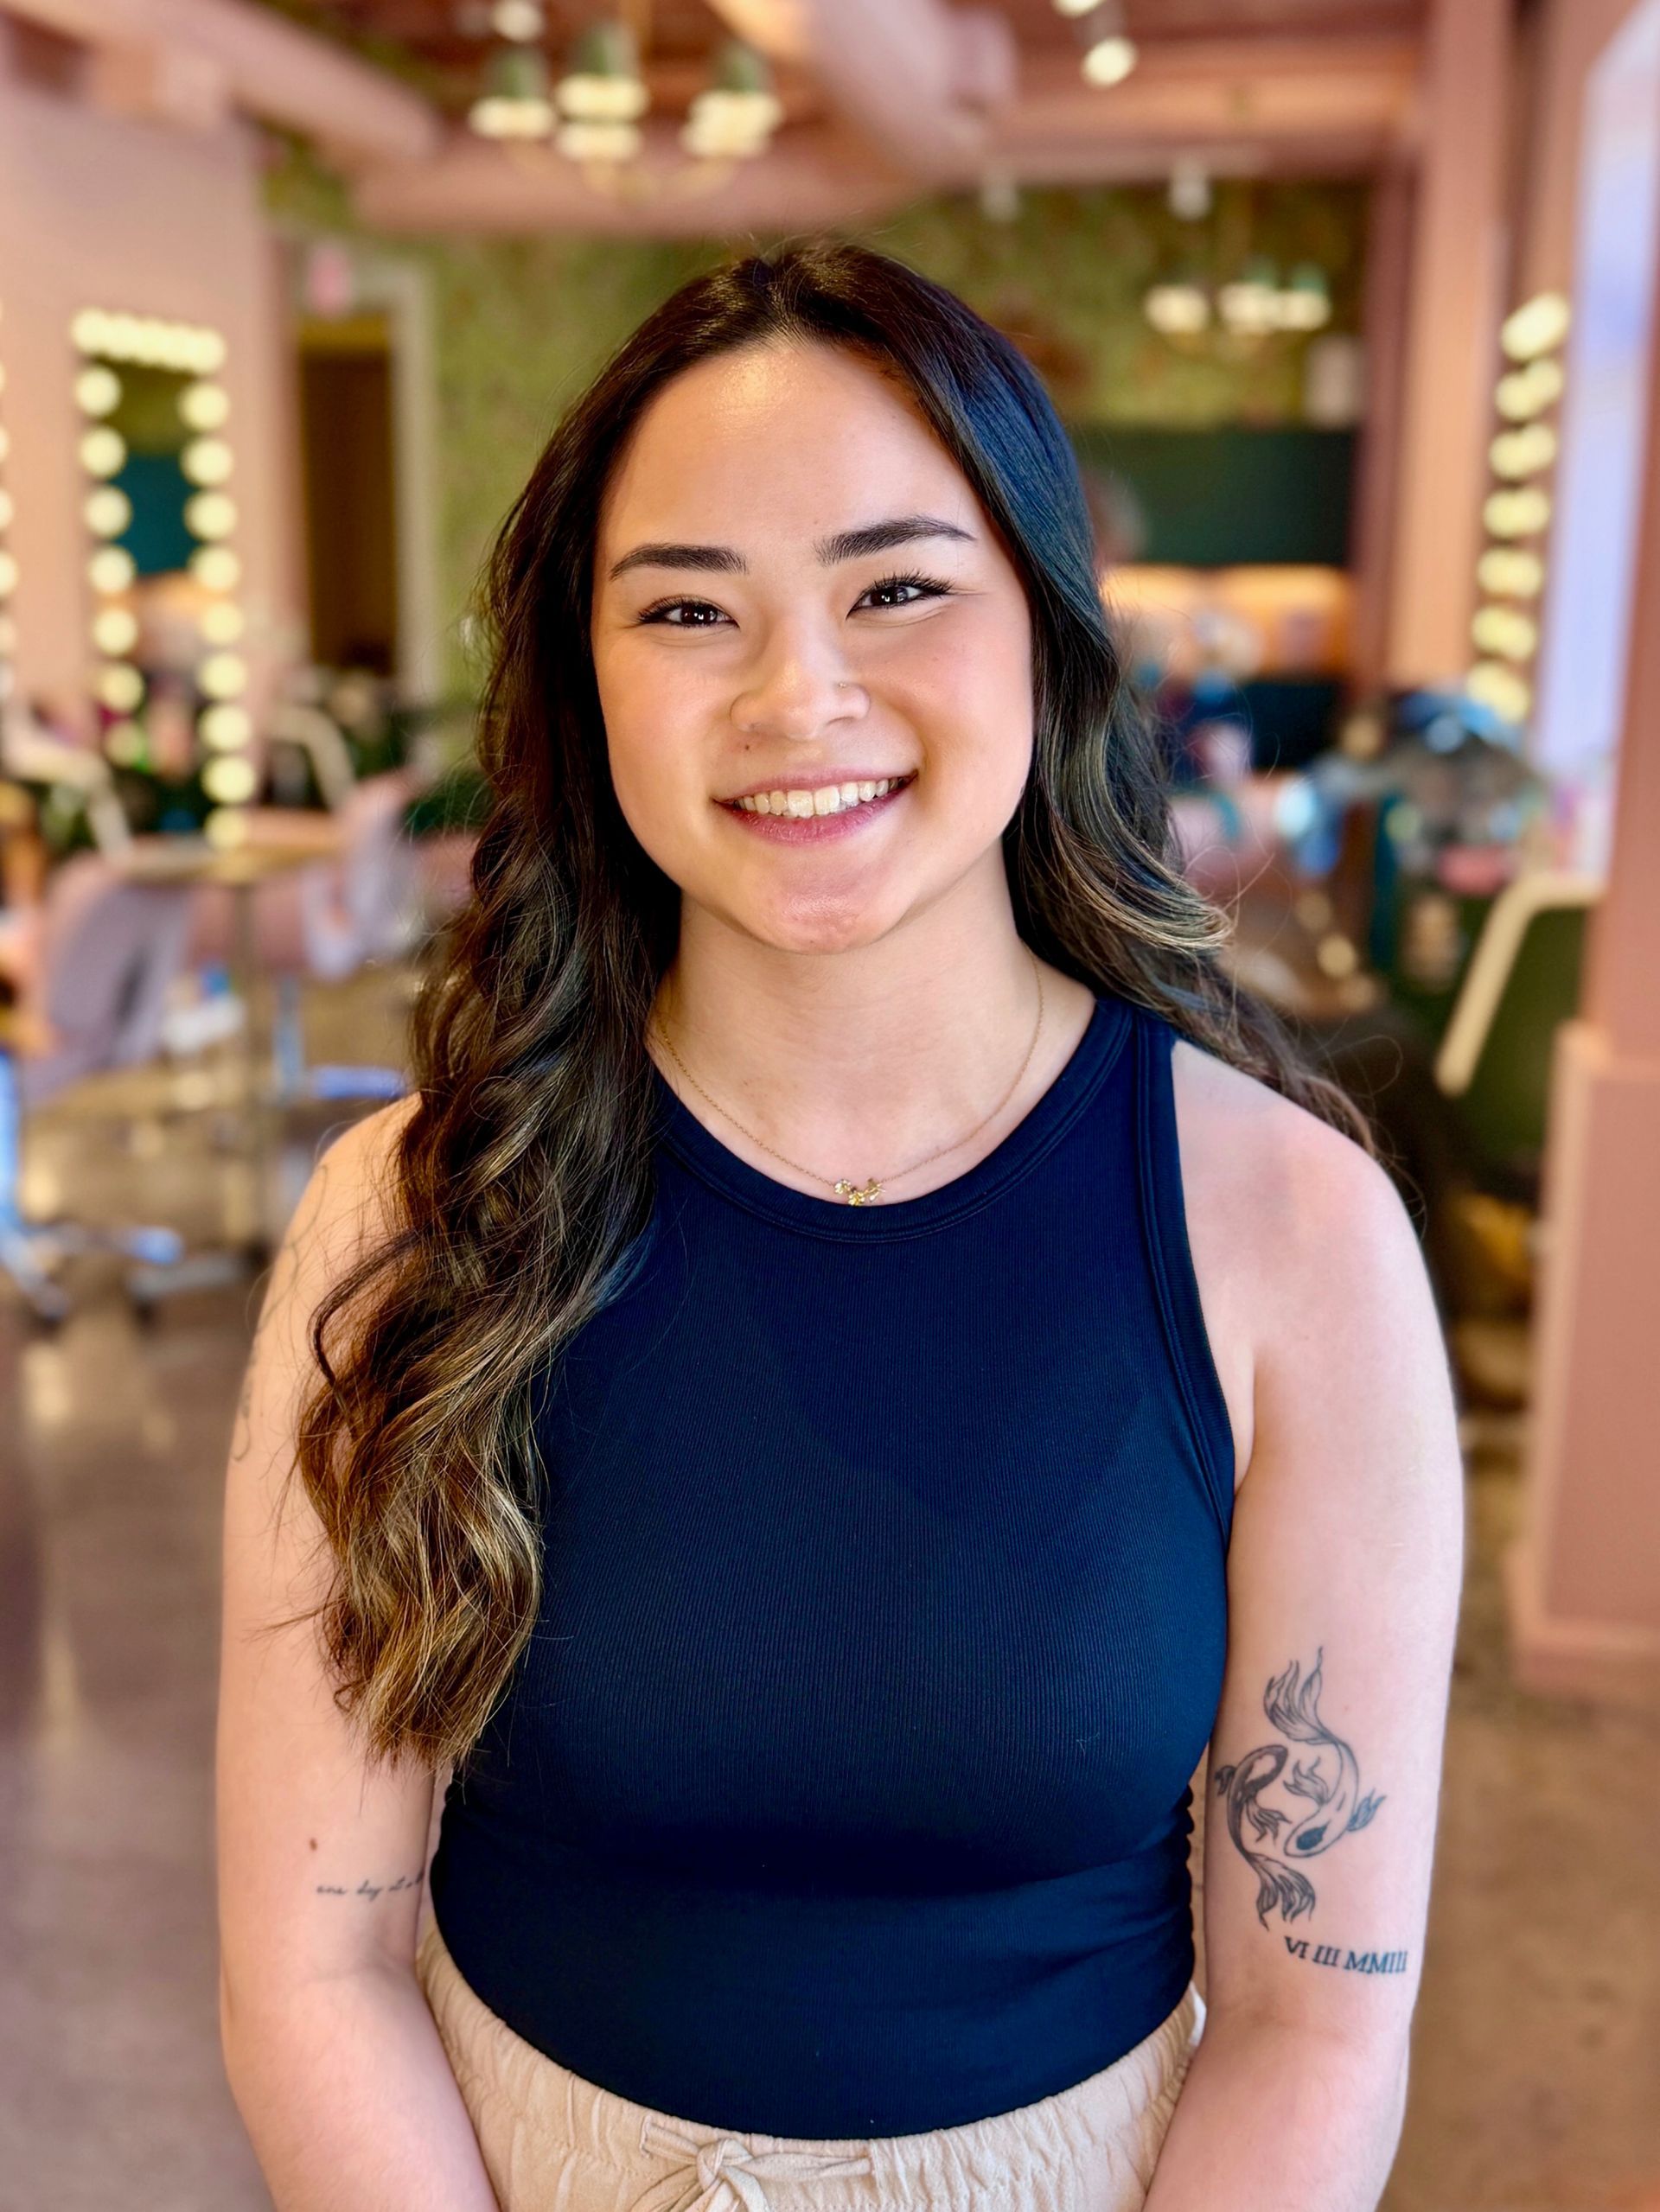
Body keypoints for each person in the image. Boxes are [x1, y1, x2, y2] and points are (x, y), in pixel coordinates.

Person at [216, 241, 1463, 2212]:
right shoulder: (407, 1224)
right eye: (689, 607)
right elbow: (315, 1958)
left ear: (1044, 631)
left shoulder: (1294, 1232)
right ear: (585, 676)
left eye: (897, 586)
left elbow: (1317, 2017)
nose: (801, 694)